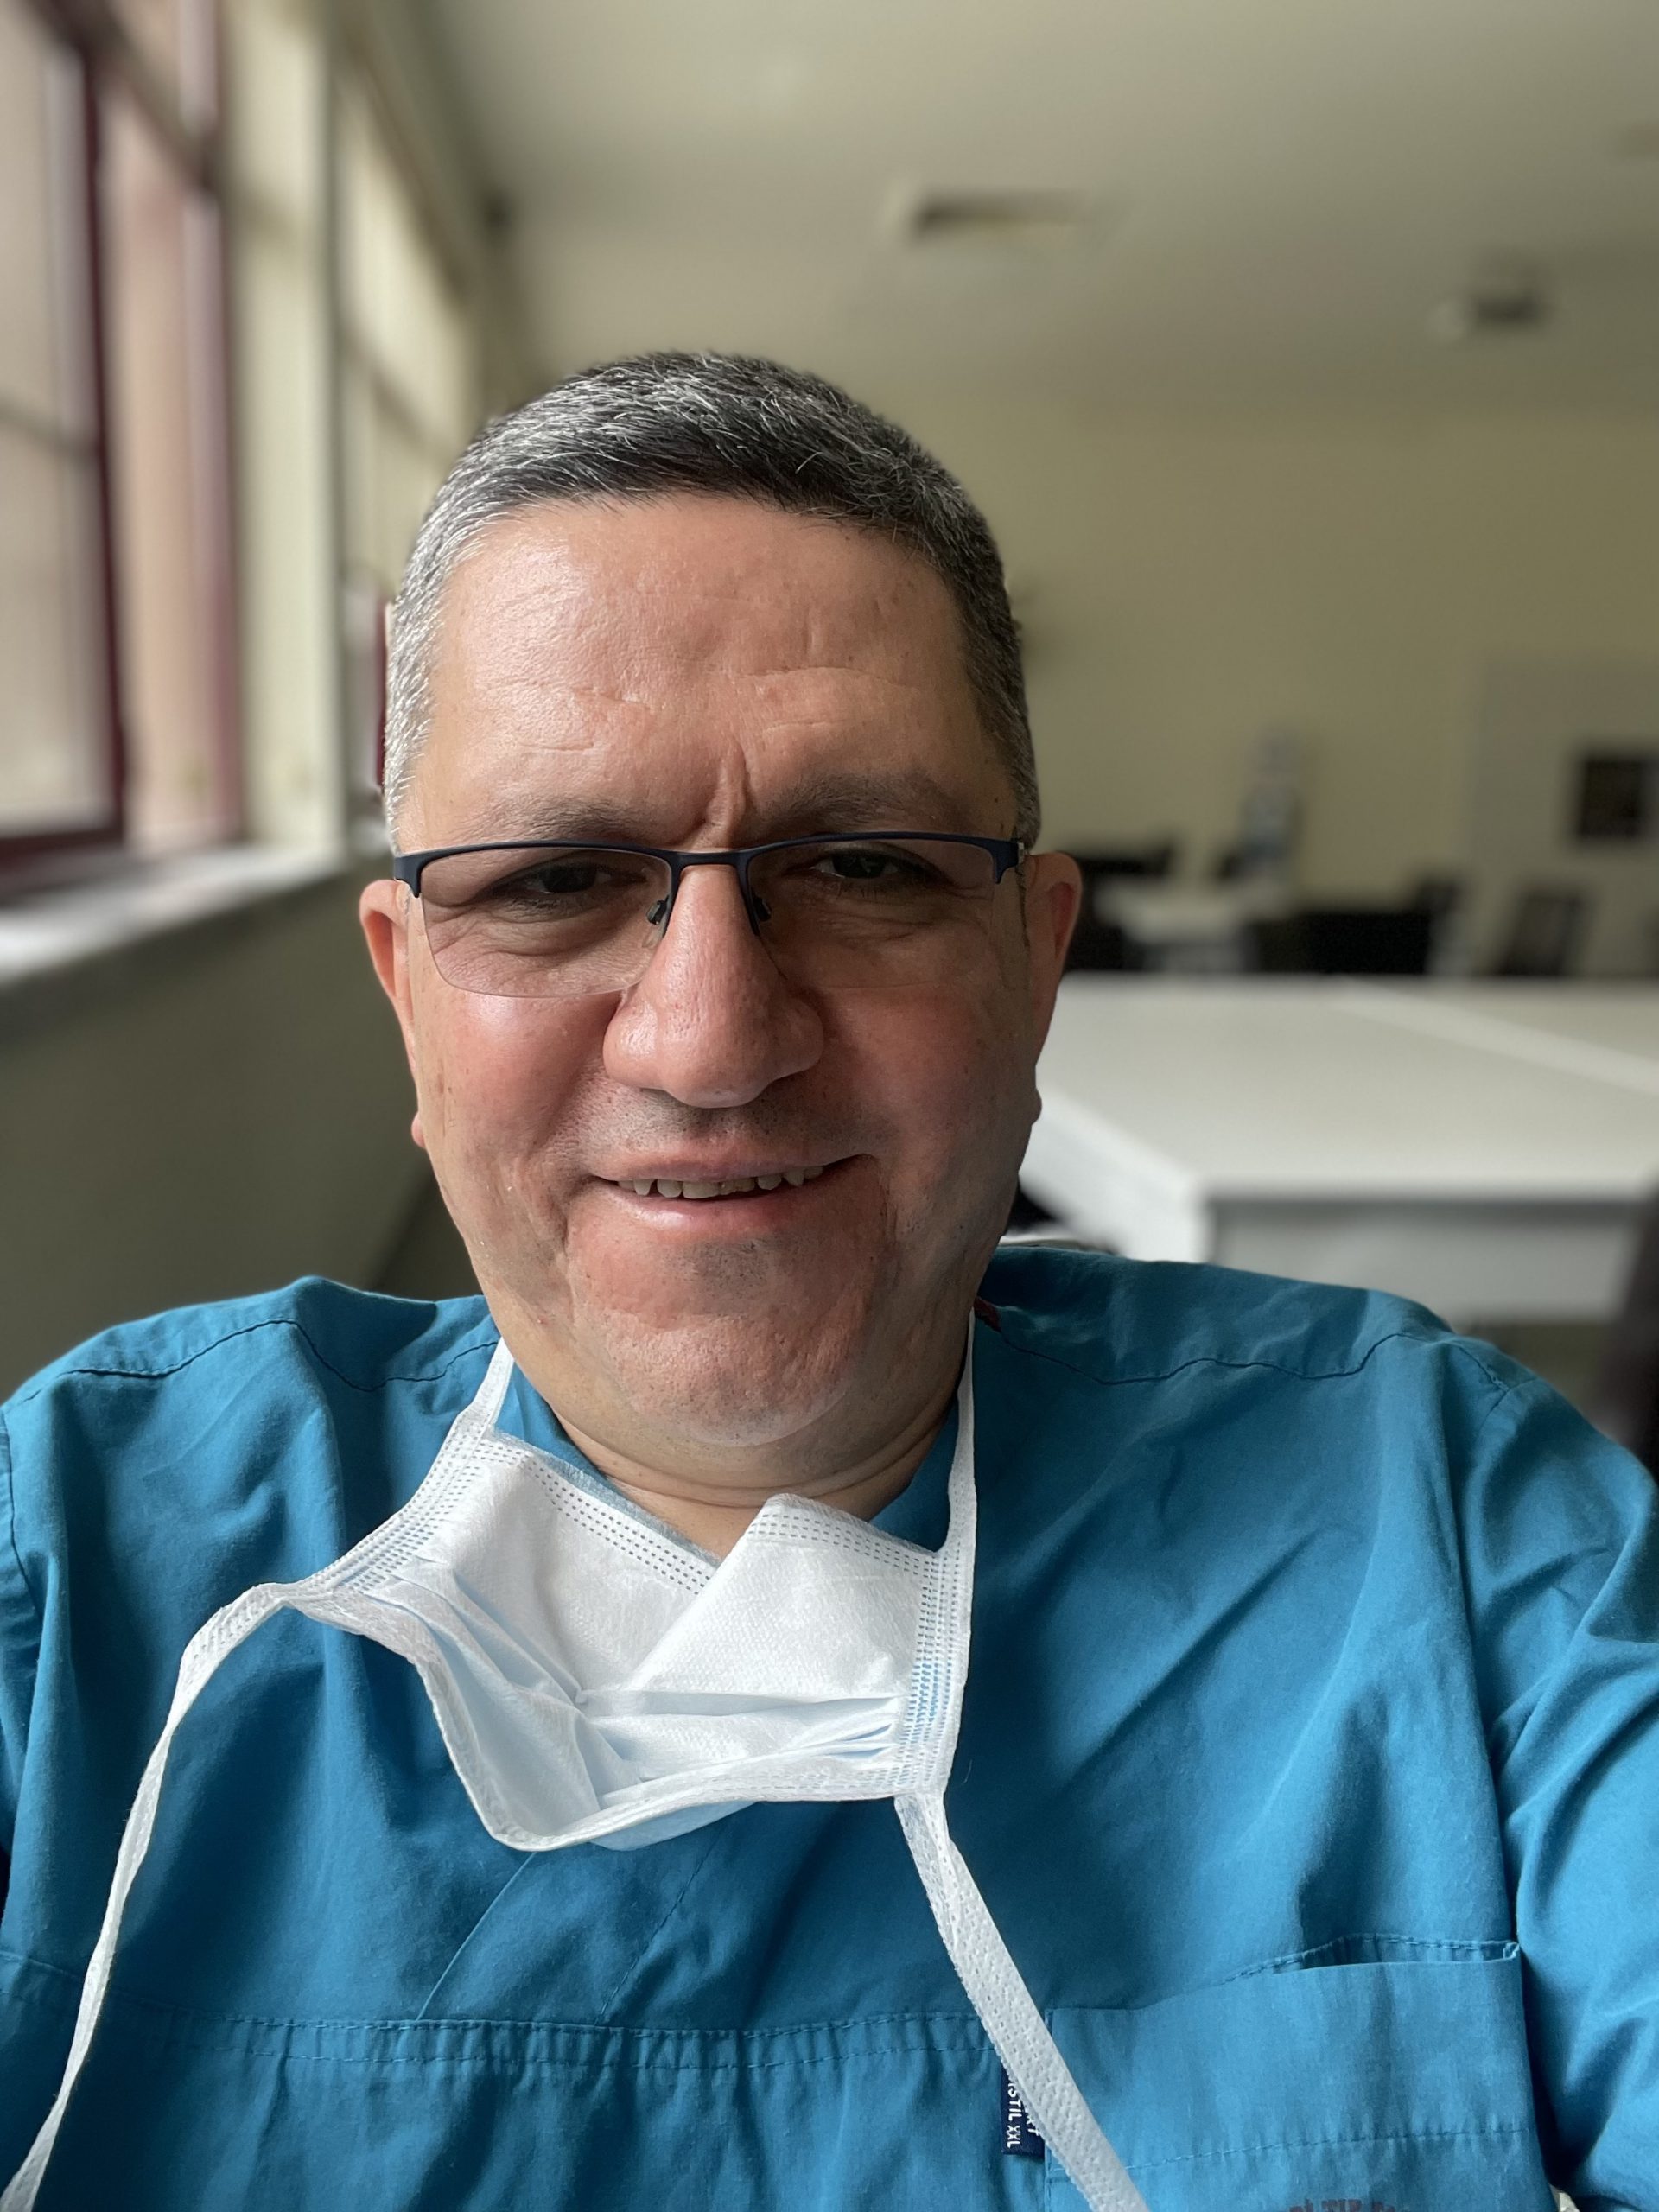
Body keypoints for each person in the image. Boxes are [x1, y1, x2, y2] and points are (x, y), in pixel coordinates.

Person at [0, 354, 1653, 2212]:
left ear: (1034, 967)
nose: (710, 1041)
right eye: (551, 878)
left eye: (865, 863)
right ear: (407, 989)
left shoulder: (1444, 1529)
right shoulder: (80, 1567)